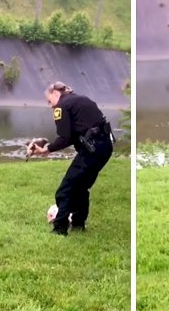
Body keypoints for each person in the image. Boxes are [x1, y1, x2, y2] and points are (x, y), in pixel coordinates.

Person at [31, 81, 114, 236]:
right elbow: (72, 135)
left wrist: (46, 150)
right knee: (81, 187)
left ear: (56, 93)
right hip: (105, 147)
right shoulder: (81, 99)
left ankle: (59, 229)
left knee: (65, 190)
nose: (50, 106)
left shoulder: (61, 106)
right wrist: (47, 146)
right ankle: (78, 224)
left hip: (92, 150)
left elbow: (64, 137)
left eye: (49, 101)